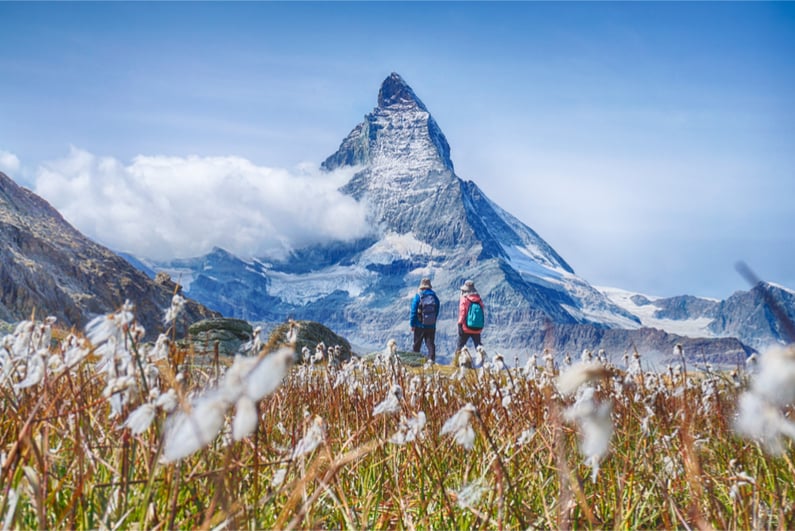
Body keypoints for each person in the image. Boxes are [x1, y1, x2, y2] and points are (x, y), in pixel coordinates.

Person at [410, 278, 440, 363]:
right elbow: (437, 310)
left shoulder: (418, 296)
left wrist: (412, 324)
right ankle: (431, 360)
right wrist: (433, 321)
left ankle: (414, 361)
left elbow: (413, 311)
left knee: (417, 345)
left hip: (419, 325)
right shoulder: (434, 297)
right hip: (431, 325)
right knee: (430, 344)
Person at [458, 279, 485, 349]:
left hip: (466, 327)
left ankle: (457, 359)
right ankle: (482, 358)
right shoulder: (479, 299)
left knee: (460, 346)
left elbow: (462, 312)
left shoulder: (464, 299)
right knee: (479, 347)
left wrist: (460, 324)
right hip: (477, 327)